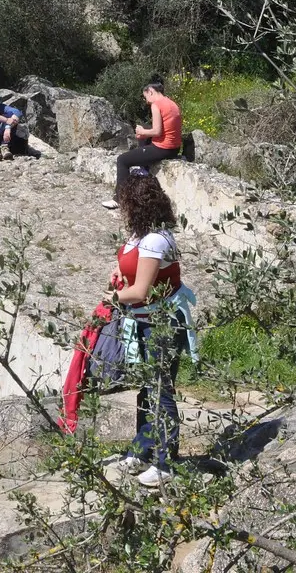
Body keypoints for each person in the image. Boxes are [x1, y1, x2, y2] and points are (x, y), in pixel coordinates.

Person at [108, 174, 196, 488]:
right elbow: (130, 264)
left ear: (136, 204)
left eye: (124, 203)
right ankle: (143, 449)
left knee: (161, 389)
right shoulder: (138, 236)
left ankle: (166, 462)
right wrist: (119, 271)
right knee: (147, 387)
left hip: (161, 323)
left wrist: (110, 300)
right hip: (143, 321)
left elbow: (142, 290)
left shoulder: (156, 240)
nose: (121, 210)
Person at [101, 76, 183, 209]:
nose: (146, 101)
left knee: (122, 160)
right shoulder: (171, 103)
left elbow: (157, 131)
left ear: (151, 91)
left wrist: (142, 131)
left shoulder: (157, 105)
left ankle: (119, 198)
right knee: (144, 131)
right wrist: (144, 132)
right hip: (174, 148)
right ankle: (143, 169)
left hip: (163, 148)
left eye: (146, 97)